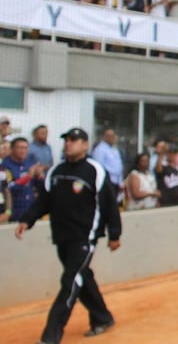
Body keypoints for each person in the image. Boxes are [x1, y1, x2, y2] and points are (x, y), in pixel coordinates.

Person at [15, 127, 122, 342]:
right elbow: (44, 201)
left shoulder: (95, 170)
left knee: (70, 282)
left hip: (84, 238)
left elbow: (109, 204)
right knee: (82, 278)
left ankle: (51, 336)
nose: (68, 144)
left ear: (85, 144)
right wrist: (27, 220)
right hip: (62, 237)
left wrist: (114, 234)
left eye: (74, 140)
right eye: (66, 140)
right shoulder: (56, 171)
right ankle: (102, 317)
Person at [1, 136, 45, 222]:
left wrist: (40, 177)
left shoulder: (30, 163)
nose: (23, 151)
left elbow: (41, 188)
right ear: (12, 149)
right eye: (20, 148)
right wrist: (28, 176)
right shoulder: (4, 166)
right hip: (14, 212)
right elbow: (7, 189)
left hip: (30, 209)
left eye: (25, 148)